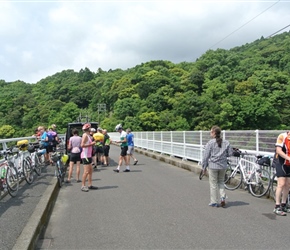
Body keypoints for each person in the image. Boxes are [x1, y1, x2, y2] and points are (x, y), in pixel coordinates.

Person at [202, 125, 232, 207]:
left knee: (213, 184)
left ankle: (214, 201)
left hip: (213, 166)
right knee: (221, 182)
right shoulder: (226, 142)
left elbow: (205, 156)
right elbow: (230, 154)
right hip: (223, 166)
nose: (210, 133)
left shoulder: (210, 143)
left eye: (211, 132)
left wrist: (204, 167)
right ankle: (222, 197)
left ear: (214, 133)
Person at [272, 131, 290, 216]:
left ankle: (284, 204)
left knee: (288, 184)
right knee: (281, 184)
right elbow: (278, 150)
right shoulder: (282, 136)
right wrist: (288, 158)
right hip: (280, 162)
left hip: (288, 163)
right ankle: (277, 206)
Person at [80, 123, 97, 192]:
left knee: (90, 171)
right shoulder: (85, 135)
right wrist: (91, 144)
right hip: (85, 155)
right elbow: (82, 145)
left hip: (89, 155)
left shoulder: (88, 135)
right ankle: (83, 186)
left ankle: (90, 184)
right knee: (86, 171)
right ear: (88, 128)